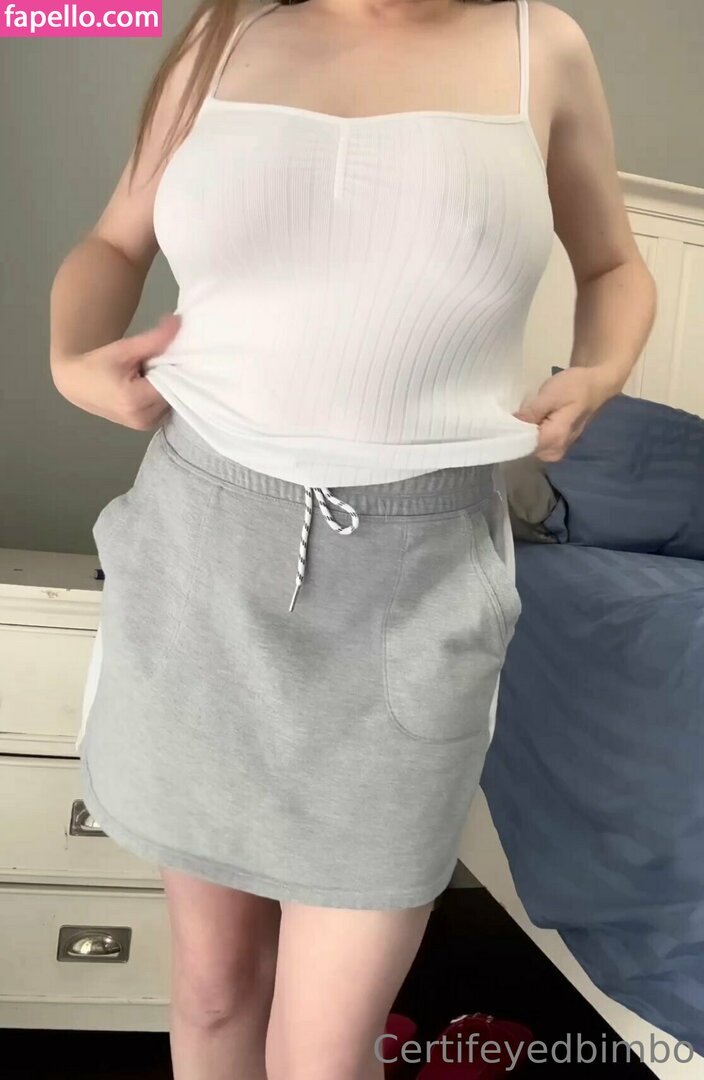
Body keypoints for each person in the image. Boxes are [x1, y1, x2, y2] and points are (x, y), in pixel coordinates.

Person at [49, 1, 656, 1077]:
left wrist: (598, 371)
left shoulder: (541, 46)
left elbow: (613, 267)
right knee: (211, 994)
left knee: (325, 1053)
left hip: (415, 584)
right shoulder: (221, 37)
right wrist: (70, 357)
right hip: (200, 550)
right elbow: (111, 242)